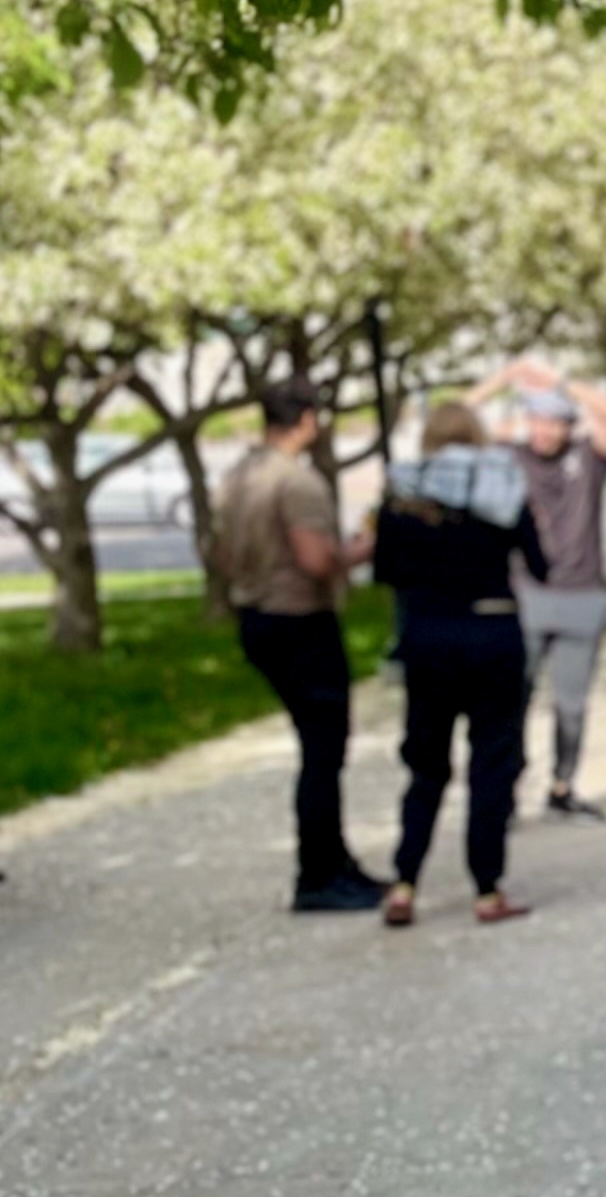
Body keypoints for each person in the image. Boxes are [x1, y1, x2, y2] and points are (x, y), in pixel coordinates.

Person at [372, 402, 548, 927]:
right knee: (491, 763)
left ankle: (404, 883)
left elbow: (385, 569)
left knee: (425, 765)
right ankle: (487, 890)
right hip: (493, 631)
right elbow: (540, 564)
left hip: (427, 638)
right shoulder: (502, 486)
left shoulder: (401, 492)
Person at [215, 378, 382, 913]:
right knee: (324, 750)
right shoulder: (298, 483)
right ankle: (319, 873)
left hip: (255, 613)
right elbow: (315, 559)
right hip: (299, 618)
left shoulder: (239, 475)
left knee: (317, 745)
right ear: (308, 419)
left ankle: (334, 859)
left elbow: (218, 552)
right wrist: (359, 552)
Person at [478, 366, 606, 823]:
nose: (544, 430)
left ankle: (563, 785)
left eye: (554, 421)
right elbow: (453, 421)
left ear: (568, 424)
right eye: (536, 420)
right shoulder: (509, 456)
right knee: (513, 700)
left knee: (572, 703)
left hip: (582, 594)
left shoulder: (588, 457)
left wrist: (564, 382)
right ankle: (505, 792)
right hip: (527, 594)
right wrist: (501, 380)